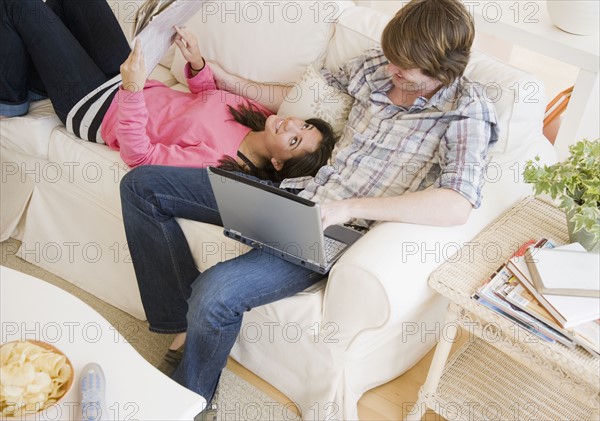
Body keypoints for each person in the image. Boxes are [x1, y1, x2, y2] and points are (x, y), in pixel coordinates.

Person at [119, 0, 498, 416]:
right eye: (392, 59)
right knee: (142, 186)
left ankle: (189, 403)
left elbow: (457, 204)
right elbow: (297, 97)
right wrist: (221, 77)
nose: (392, 71)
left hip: (331, 229)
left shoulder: (466, 109)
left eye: (405, 70)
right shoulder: (376, 65)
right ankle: (181, 327)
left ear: (442, 72)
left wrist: (346, 207)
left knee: (215, 294)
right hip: (289, 192)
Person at [0, 0, 335, 181]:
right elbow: (204, 100)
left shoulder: (219, 161)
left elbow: (141, 157)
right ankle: (36, 80)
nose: (291, 125)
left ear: (277, 163)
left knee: (20, 6)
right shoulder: (261, 117)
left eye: (294, 141)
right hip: (132, 78)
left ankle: (10, 99)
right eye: (304, 126)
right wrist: (197, 63)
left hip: (99, 110)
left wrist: (131, 90)